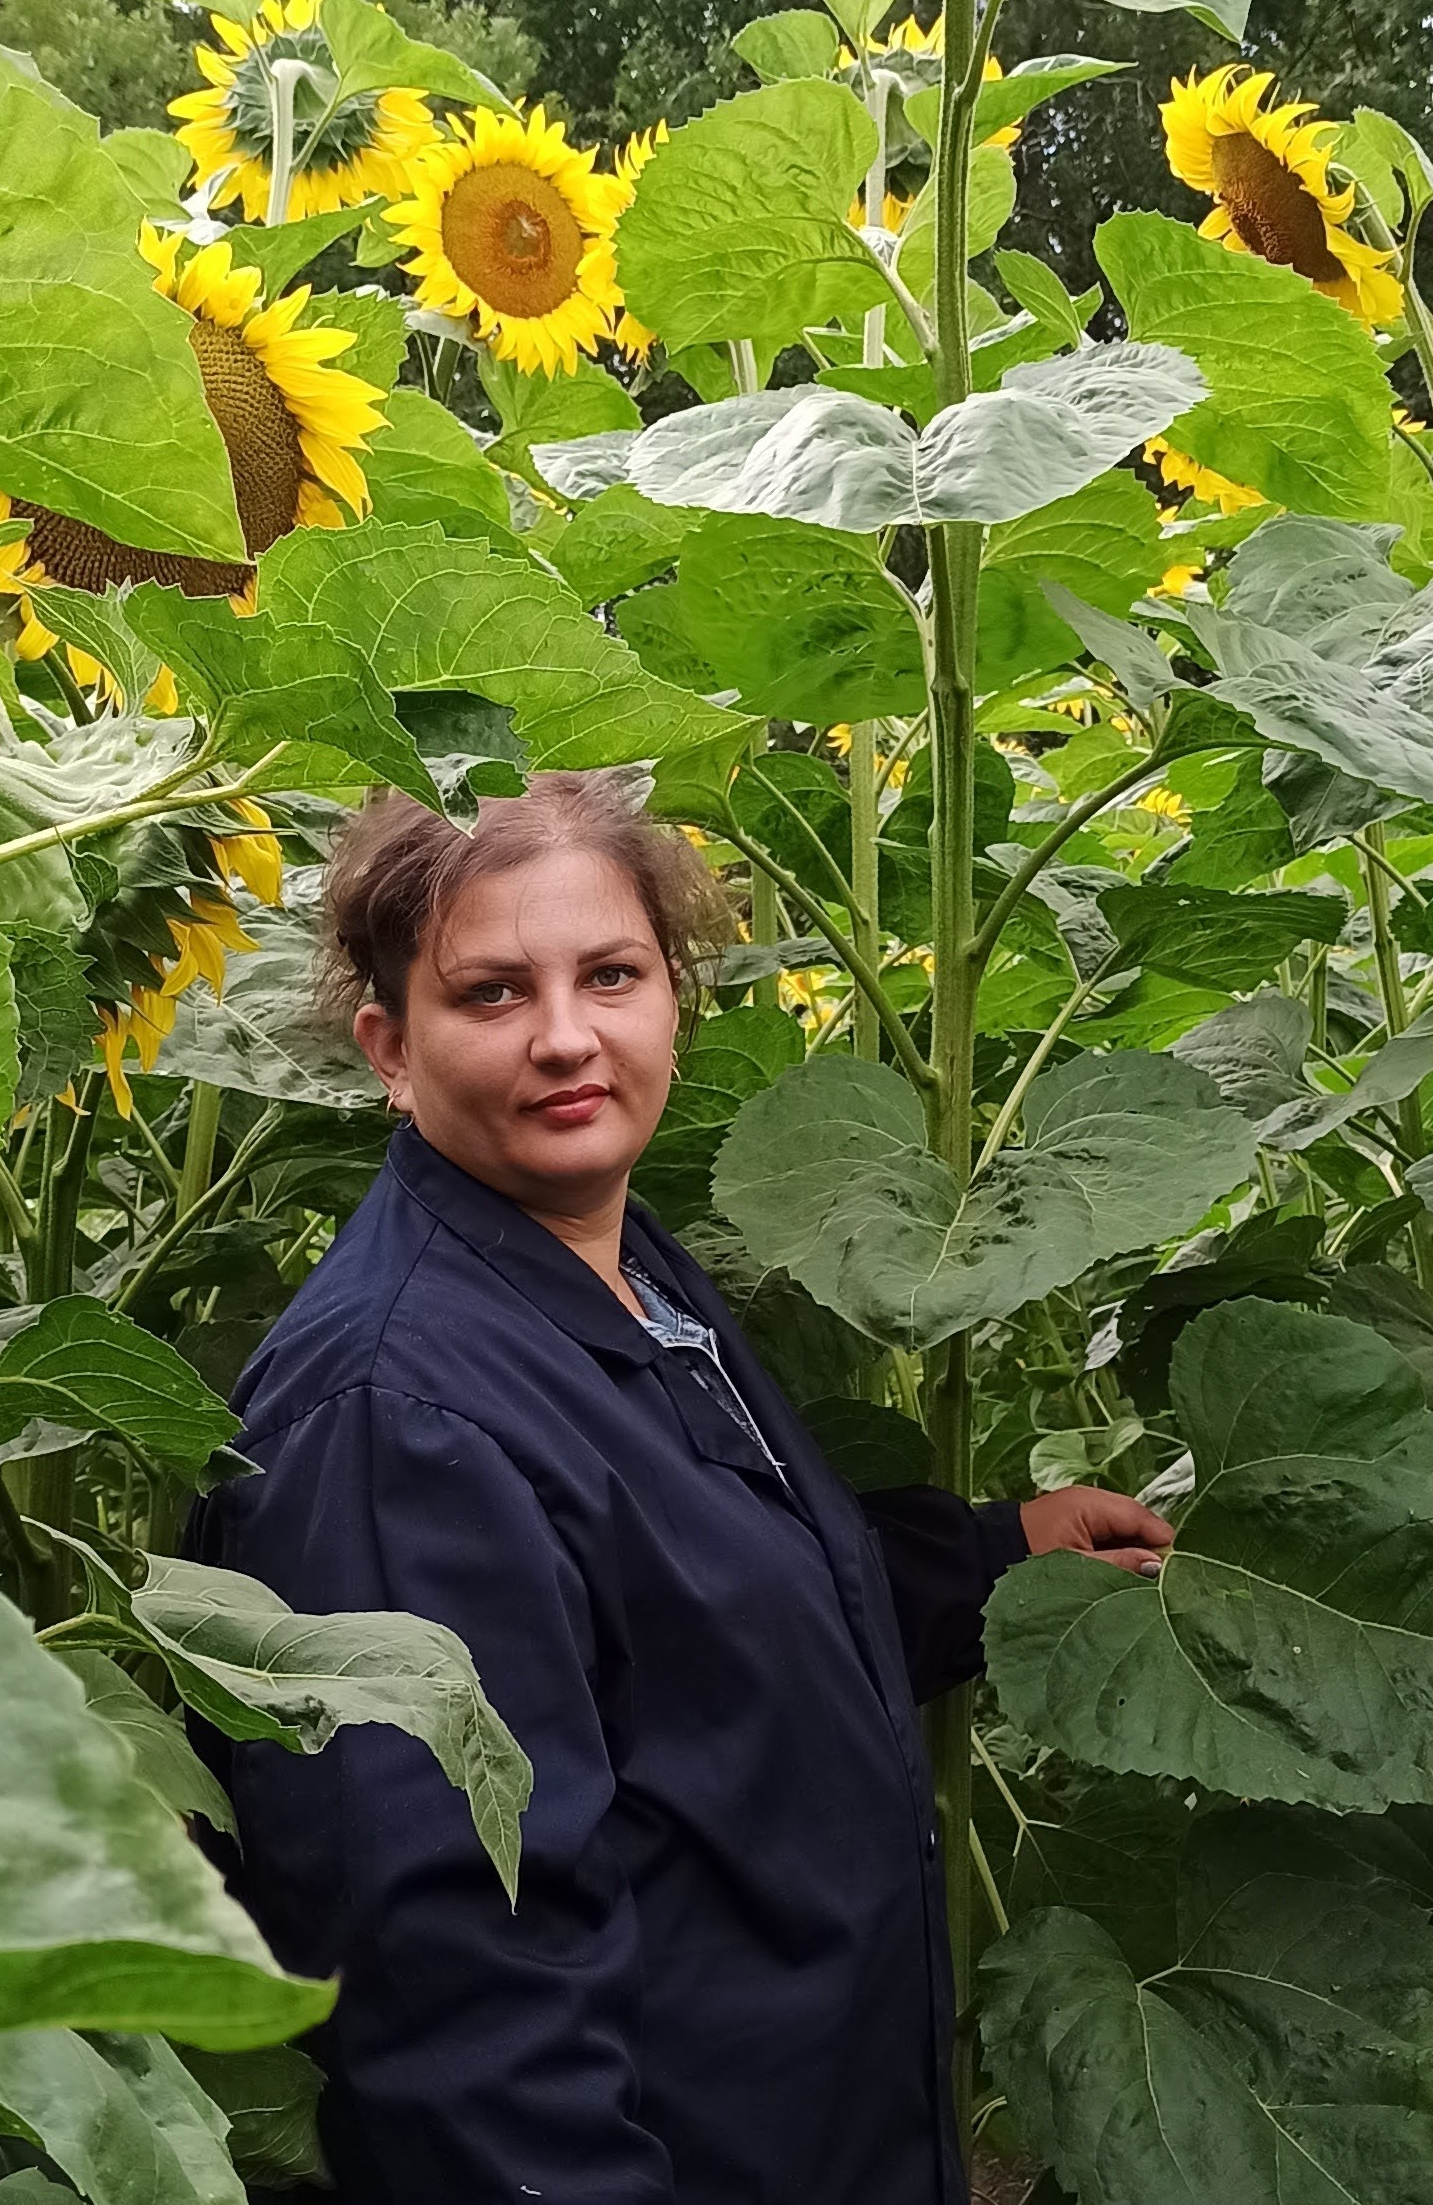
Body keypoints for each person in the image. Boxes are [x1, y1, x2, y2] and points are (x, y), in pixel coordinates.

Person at [195, 771, 1174, 2205]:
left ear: (676, 996)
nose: (566, 1037)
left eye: (612, 974)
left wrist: (982, 1559)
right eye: (489, 995)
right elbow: (457, 1998)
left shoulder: (608, 1260)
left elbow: (681, 1632)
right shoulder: (395, 1424)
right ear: (389, 1049)